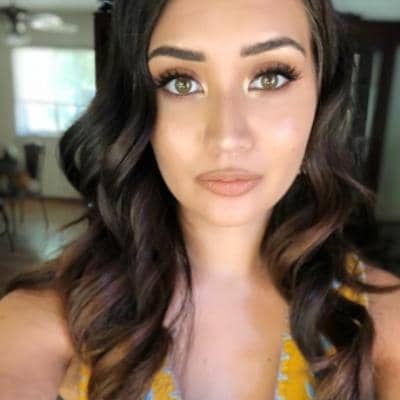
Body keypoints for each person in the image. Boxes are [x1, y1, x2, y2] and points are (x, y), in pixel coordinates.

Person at [0, 0, 399, 399]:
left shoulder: (384, 318)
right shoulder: (48, 315)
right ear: (137, 106)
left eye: (270, 77)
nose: (227, 138)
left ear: (321, 99)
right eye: (181, 82)